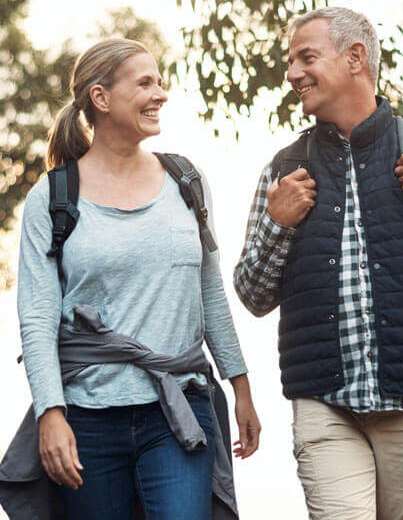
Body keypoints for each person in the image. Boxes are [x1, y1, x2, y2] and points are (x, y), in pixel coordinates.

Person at [234, 6, 403, 520]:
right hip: (325, 407)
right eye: (290, 62)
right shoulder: (284, 170)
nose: (292, 74)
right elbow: (252, 294)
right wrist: (278, 223)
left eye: (305, 57)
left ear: (355, 57)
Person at [15, 38, 260, 519]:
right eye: (145, 83)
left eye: (160, 82)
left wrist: (242, 389)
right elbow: (38, 318)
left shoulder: (186, 181)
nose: (160, 94)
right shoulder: (53, 198)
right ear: (101, 99)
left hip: (179, 411)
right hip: (87, 420)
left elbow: (209, 291)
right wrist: (50, 412)